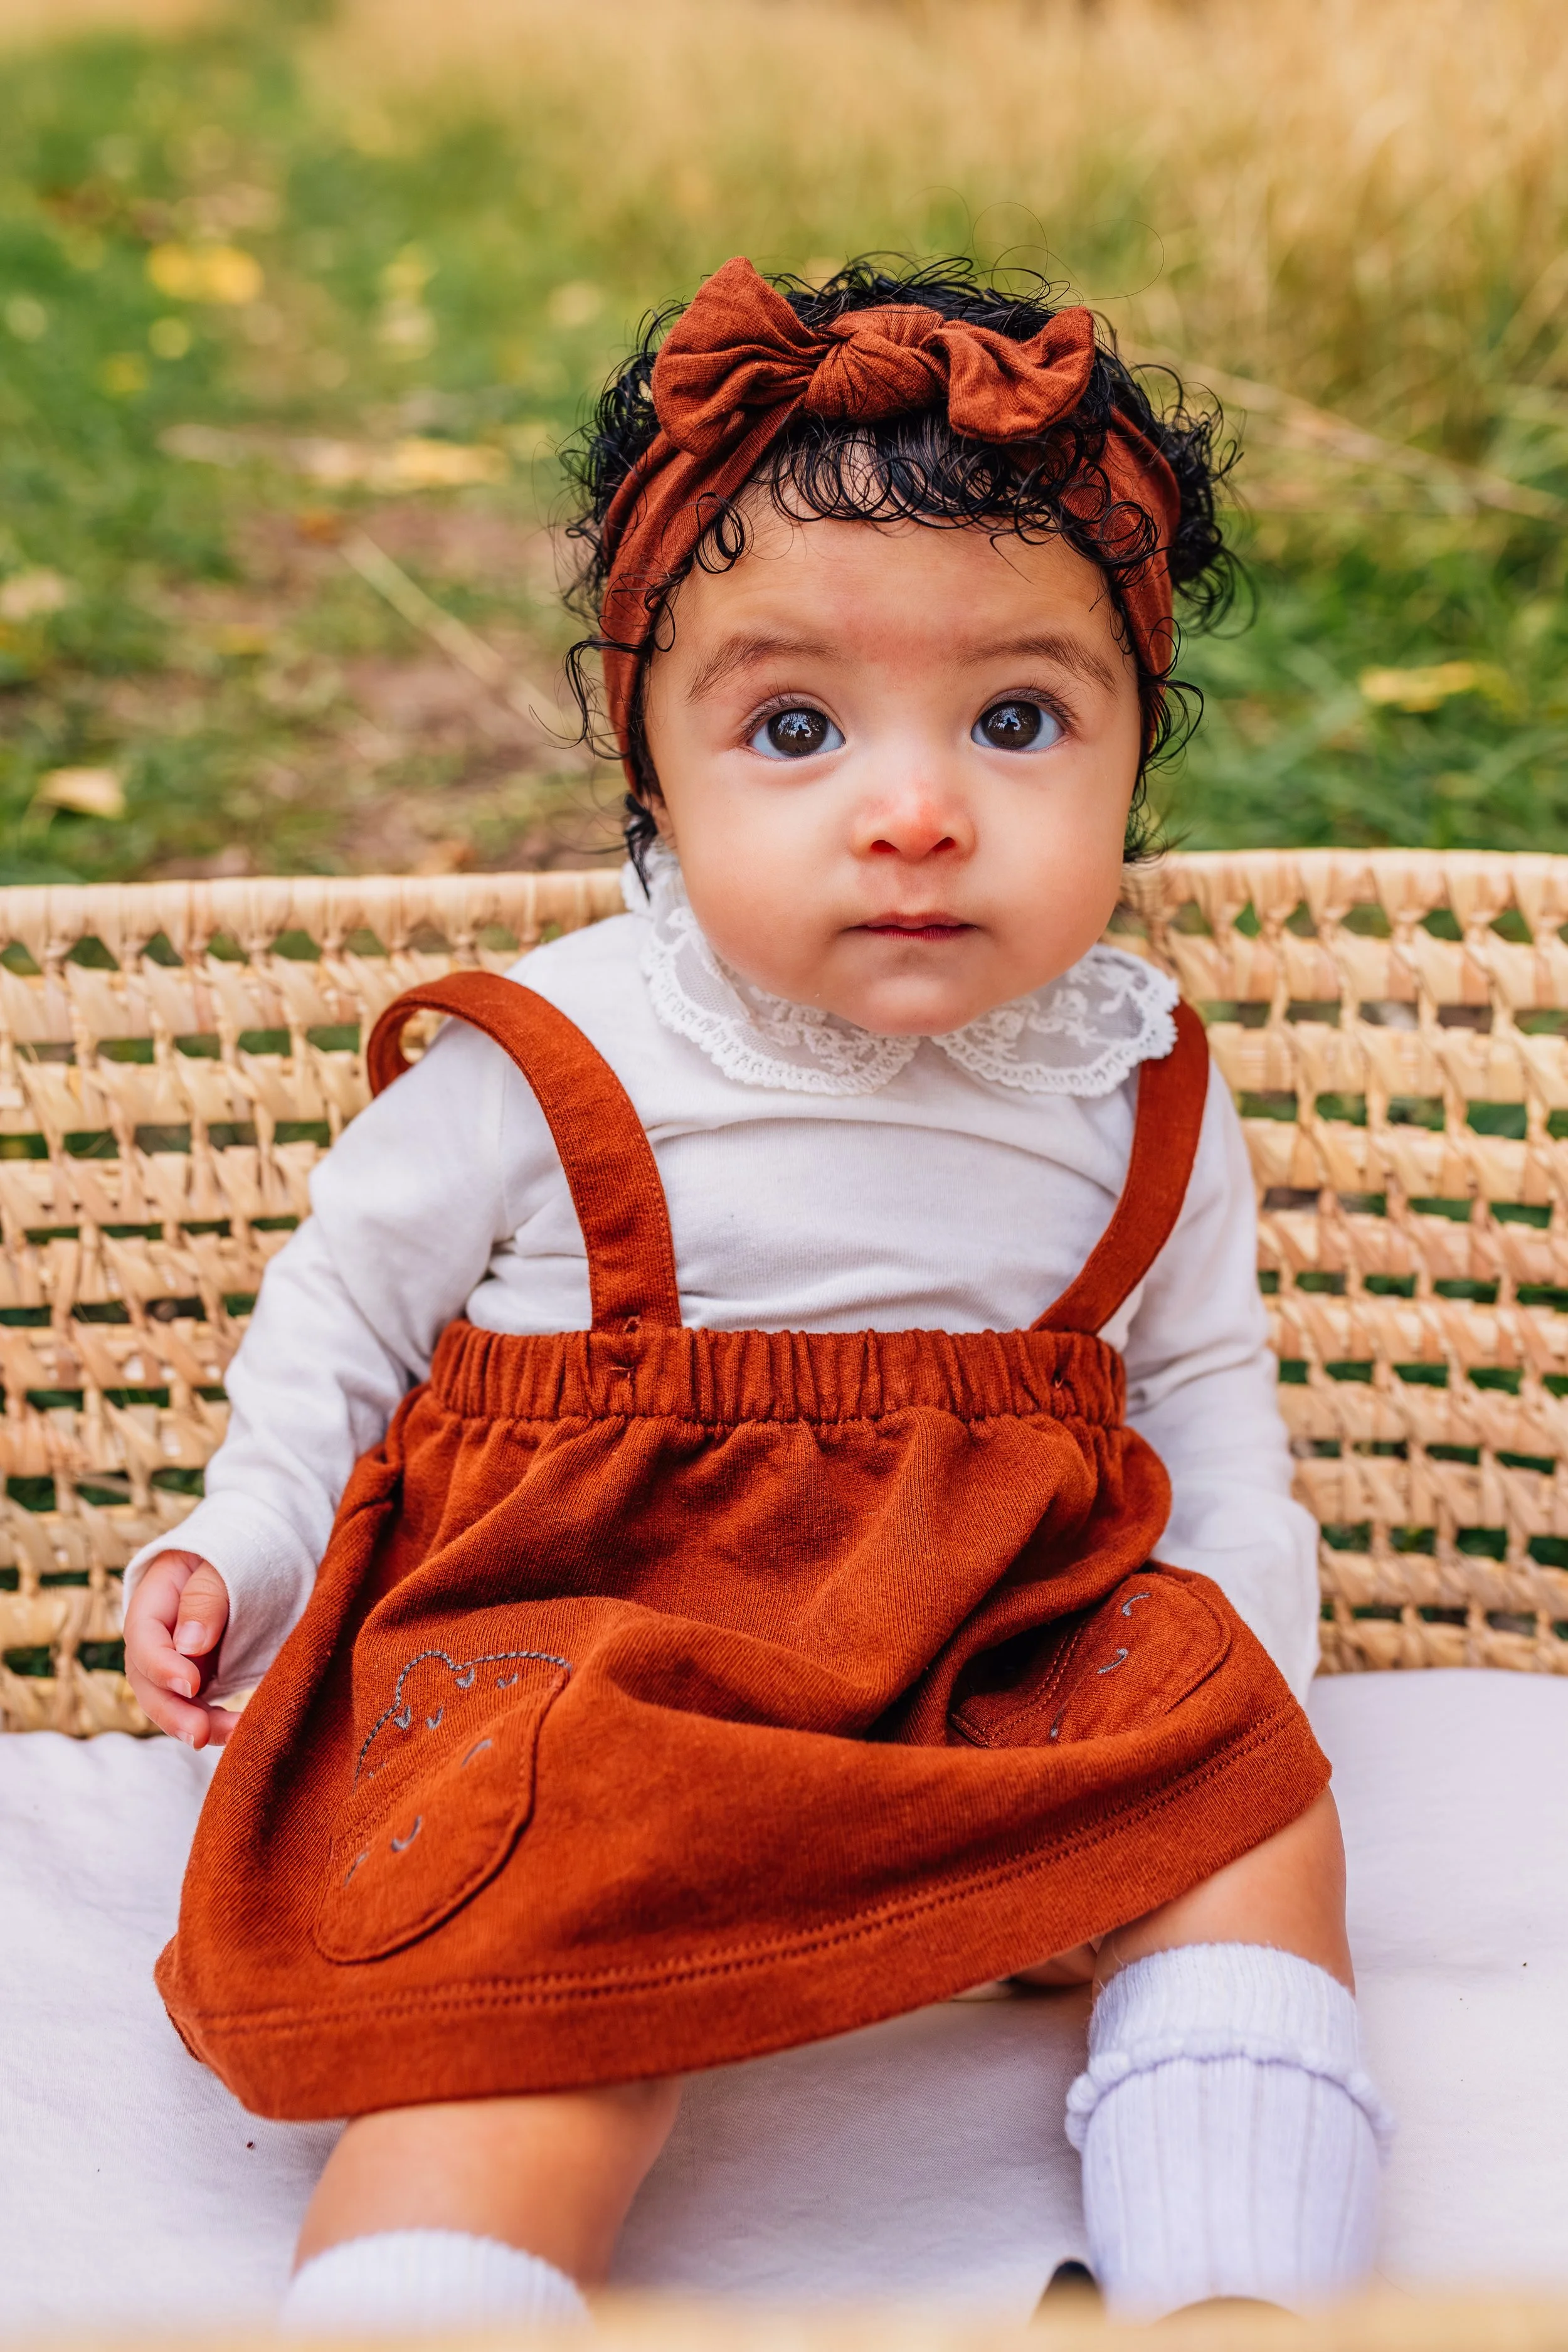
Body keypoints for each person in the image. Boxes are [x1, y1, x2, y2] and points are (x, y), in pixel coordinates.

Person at [122, 256, 1390, 2327]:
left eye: (1016, 717)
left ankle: (1236, 2291)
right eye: (793, 726)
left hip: (992, 1621)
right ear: (650, 773)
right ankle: (437, 2282)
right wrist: (244, 1540)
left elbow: (1208, 1388)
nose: (915, 808)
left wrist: (1219, 1705)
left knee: (1257, 1816)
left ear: (1137, 753)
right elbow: (340, 1320)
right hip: (590, 1638)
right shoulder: (555, 1056)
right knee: (540, 2007)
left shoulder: (1132, 1069)